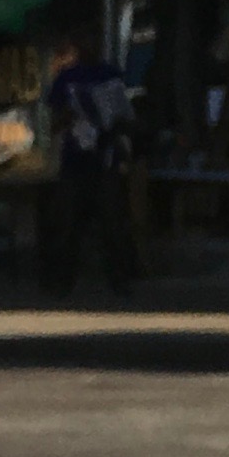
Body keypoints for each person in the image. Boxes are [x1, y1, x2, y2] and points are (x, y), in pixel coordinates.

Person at [45, 30, 140, 295]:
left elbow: (126, 118)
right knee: (68, 224)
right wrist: (70, 116)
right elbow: (54, 123)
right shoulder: (66, 78)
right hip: (75, 160)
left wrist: (114, 123)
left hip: (105, 159)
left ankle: (118, 280)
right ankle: (63, 281)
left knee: (112, 222)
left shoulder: (110, 75)